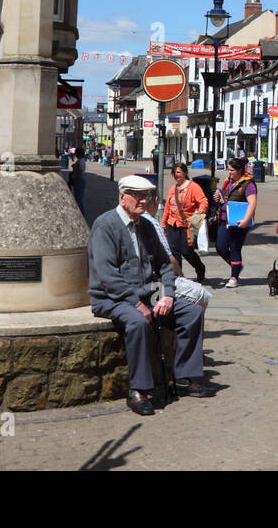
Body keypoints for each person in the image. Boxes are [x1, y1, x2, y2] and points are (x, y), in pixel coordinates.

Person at [87, 175, 214, 415]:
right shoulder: (105, 225)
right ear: (122, 196)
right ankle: (139, 391)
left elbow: (166, 265)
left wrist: (167, 294)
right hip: (113, 297)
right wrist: (136, 303)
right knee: (137, 323)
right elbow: (106, 275)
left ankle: (187, 377)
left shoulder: (145, 225)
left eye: (146, 196)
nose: (143, 201)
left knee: (192, 312)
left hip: (148, 293)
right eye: (137, 195)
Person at [214, 155, 256, 288]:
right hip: (225, 219)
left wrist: (246, 220)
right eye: (229, 170)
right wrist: (218, 197)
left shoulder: (248, 184)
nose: (229, 172)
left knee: (235, 248)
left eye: (232, 170)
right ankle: (236, 266)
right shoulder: (229, 181)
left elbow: (252, 203)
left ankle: (234, 277)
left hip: (239, 221)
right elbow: (225, 196)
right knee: (220, 247)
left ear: (239, 170)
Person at [162, 162, 208, 283]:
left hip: (188, 225)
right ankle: (178, 277)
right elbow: (167, 207)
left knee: (186, 250)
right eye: (174, 173)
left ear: (185, 173)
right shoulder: (173, 189)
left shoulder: (194, 187)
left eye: (178, 172)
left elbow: (203, 201)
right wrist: (163, 223)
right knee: (174, 251)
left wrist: (199, 213)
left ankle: (200, 268)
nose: (176, 175)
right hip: (172, 224)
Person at [69, 148, 86, 214]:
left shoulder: (80, 162)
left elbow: (80, 171)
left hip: (79, 181)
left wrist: (75, 177)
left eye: (76, 153)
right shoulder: (81, 161)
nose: (75, 154)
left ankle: (81, 213)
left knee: (79, 199)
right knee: (78, 197)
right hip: (79, 180)